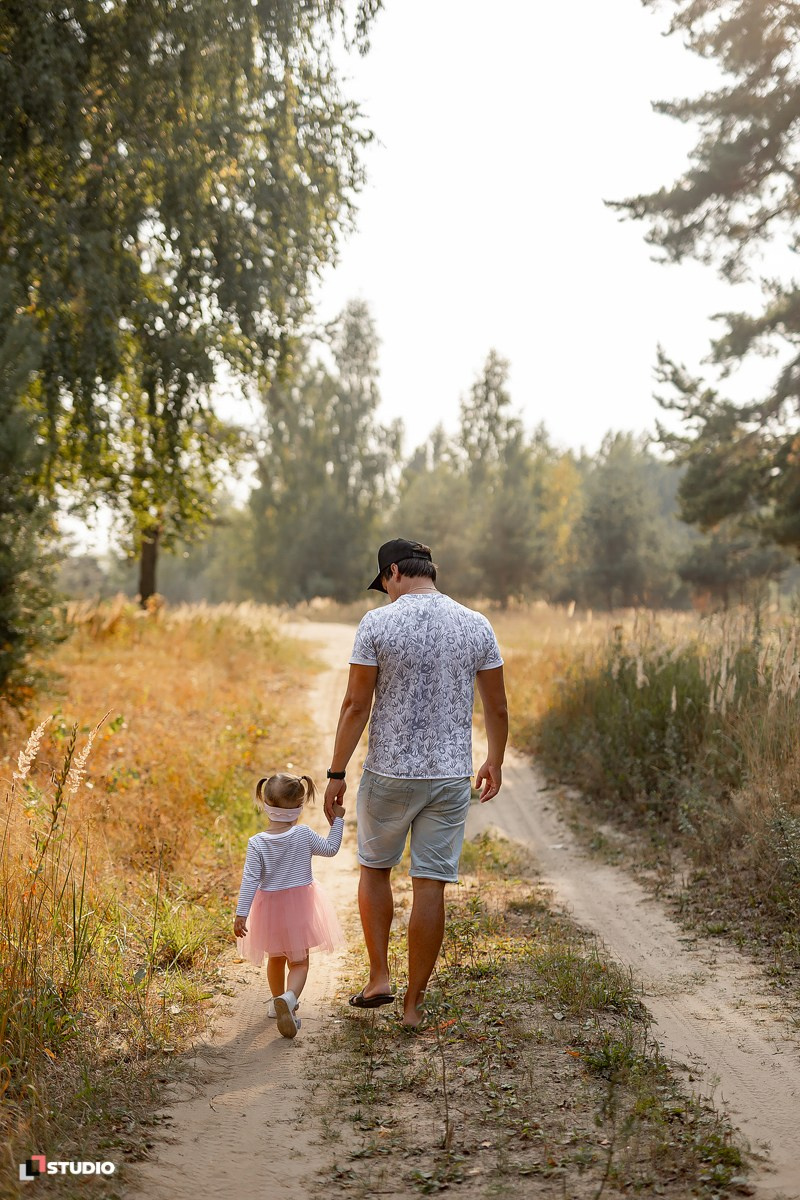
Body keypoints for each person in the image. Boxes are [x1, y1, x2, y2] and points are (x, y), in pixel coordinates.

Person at [323, 538, 508, 1028]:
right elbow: (497, 705)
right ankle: (413, 1006)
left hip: (388, 774)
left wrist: (336, 772)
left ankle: (379, 976)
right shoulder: (476, 624)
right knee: (430, 886)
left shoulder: (377, 623)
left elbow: (356, 705)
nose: (385, 592)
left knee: (375, 869)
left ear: (393, 574)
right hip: (449, 777)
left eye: (383, 583)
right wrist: (495, 758)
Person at [234, 773, 345, 1039]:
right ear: (300, 806)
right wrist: (338, 819)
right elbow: (331, 849)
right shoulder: (303, 834)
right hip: (300, 908)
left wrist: (241, 913)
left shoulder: (257, 842)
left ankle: (277, 1002)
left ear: (264, 803)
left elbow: (250, 879)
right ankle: (290, 997)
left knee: (276, 957)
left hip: (269, 910)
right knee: (300, 962)